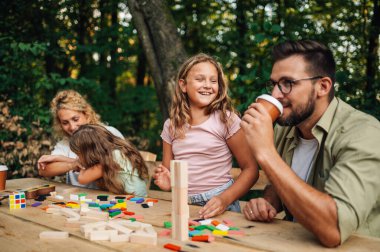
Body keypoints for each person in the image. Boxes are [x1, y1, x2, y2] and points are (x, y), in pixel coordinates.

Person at [241, 40, 380, 247]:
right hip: (292, 242)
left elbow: (333, 230)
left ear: (322, 86)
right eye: (274, 84)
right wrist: (269, 202)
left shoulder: (364, 134)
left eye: (288, 83)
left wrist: (266, 152)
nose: (276, 94)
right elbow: (279, 184)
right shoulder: (284, 129)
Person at [153, 53, 259, 218]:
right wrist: (168, 182)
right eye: (200, 79)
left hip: (221, 203)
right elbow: (168, 171)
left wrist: (224, 199)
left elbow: (251, 170)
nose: (208, 85)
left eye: (213, 80)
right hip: (184, 205)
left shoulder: (226, 120)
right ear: (183, 85)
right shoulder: (171, 126)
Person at [38, 90, 124, 189]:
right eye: (65, 123)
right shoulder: (65, 144)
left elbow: (119, 163)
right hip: (78, 200)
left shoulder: (109, 133)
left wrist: (74, 162)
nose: (72, 127)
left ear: (87, 115)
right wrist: (73, 164)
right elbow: (43, 170)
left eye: (75, 119)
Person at [69, 124, 149, 196]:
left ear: (89, 152)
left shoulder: (111, 158)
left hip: (135, 201)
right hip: (136, 197)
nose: (78, 157)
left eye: (79, 154)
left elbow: (82, 179)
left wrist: (81, 165)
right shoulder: (118, 151)